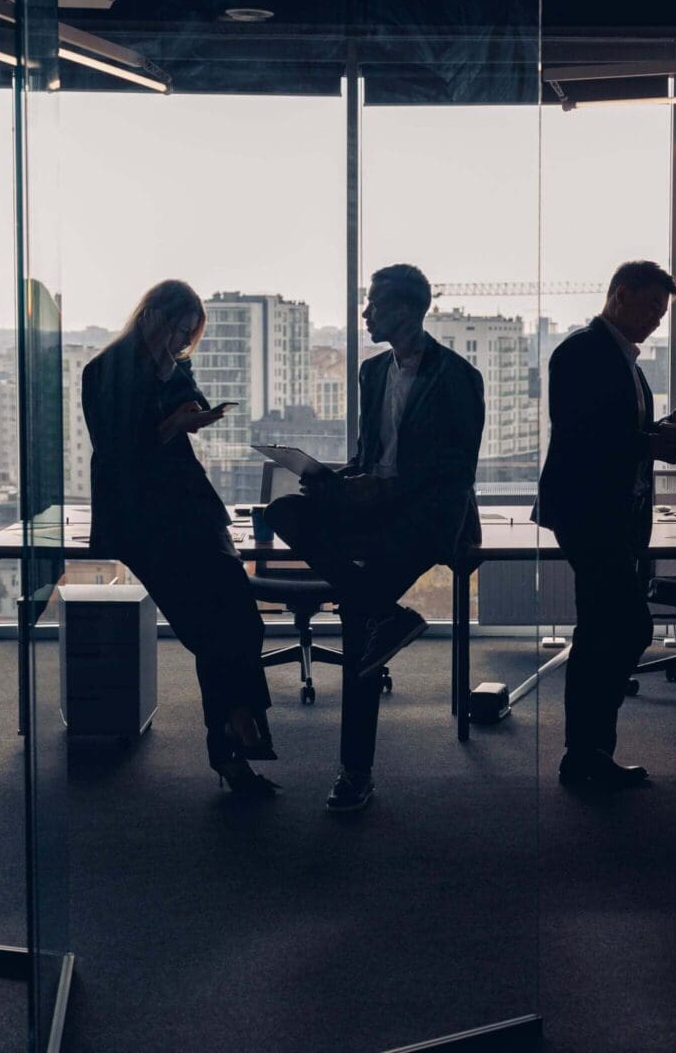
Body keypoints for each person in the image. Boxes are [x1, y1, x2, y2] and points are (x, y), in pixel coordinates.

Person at [265, 264, 485, 813]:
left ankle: (354, 774)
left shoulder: (458, 377)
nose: (365, 315)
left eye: (374, 306)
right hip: (375, 510)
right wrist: (340, 482)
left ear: (406, 313)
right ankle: (387, 613)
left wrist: (386, 489)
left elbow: (455, 471)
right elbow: (371, 455)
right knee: (286, 510)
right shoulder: (371, 373)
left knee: (360, 629)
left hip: (425, 518)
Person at [80, 280, 279, 797]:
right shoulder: (103, 370)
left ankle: (239, 722)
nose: (181, 343)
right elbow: (118, 452)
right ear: (150, 315)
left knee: (241, 616)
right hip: (144, 520)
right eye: (177, 330)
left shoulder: (173, 366)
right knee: (210, 630)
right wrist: (170, 425)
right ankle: (237, 740)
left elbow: (192, 408)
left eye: (189, 336)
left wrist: (186, 403)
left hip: (192, 510)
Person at [537, 260, 676, 791]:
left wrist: (659, 432)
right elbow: (581, 434)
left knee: (606, 630)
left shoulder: (623, 360)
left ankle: (587, 754)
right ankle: (584, 754)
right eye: (652, 306)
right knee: (620, 630)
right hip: (589, 511)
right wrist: (647, 442)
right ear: (621, 295)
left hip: (615, 513)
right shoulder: (583, 351)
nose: (657, 319)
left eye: (663, 311)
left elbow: (614, 429)